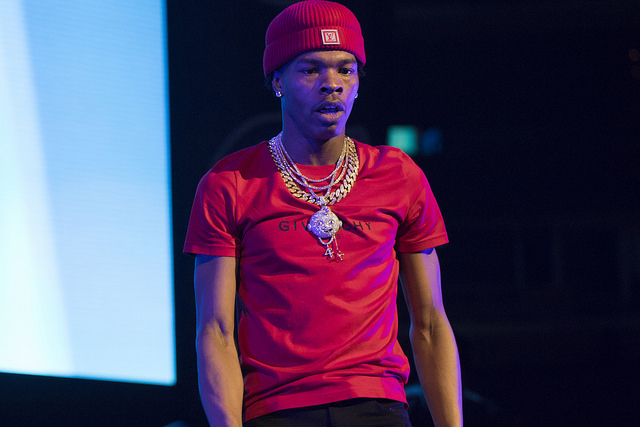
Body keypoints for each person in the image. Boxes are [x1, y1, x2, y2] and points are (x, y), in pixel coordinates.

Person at [183, 1, 463, 426]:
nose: (332, 84)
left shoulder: (399, 175)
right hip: (278, 411)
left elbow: (430, 322)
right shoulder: (230, 183)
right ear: (277, 81)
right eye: (310, 70)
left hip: (378, 407)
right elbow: (216, 332)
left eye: (345, 69)